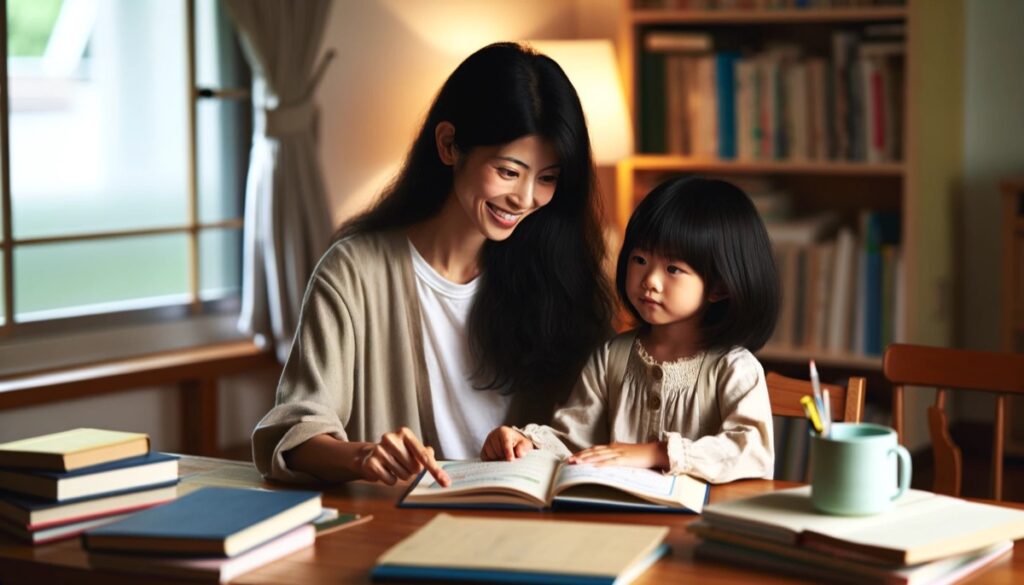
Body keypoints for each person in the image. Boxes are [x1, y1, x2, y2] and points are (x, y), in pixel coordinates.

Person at [252, 42, 614, 487]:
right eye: (507, 171)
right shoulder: (353, 272)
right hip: (396, 530)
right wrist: (363, 455)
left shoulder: (561, 273)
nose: (524, 198)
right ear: (448, 145)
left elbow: (596, 423)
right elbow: (293, 432)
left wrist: (534, 443)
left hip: (527, 529)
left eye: (547, 178)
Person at [482, 177, 780, 484]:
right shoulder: (612, 357)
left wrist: (658, 452)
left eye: (673, 269)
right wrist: (527, 444)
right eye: (640, 259)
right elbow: (572, 440)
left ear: (718, 286)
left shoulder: (733, 368)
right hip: (619, 519)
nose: (649, 280)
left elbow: (752, 452)